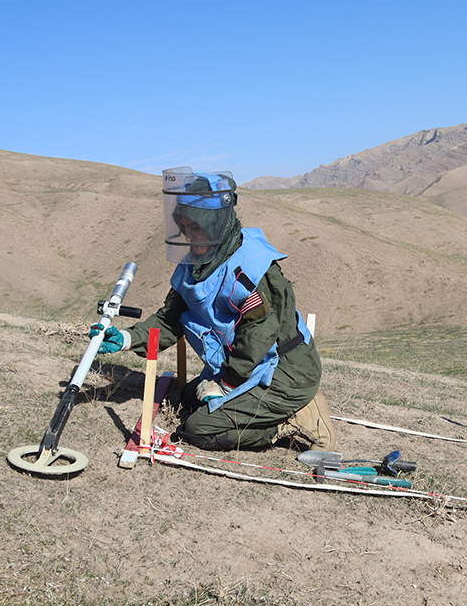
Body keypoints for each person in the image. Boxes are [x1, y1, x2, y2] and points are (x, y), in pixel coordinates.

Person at [91, 168, 334, 452]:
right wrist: (127, 338)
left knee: (198, 431)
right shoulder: (195, 263)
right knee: (187, 401)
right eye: (184, 227)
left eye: (196, 227)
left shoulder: (254, 269)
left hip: (285, 370)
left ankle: (292, 420)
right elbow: (171, 319)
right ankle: (254, 406)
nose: (189, 236)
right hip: (245, 367)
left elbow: (257, 338)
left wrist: (226, 386)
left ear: (216, 224)